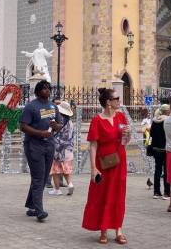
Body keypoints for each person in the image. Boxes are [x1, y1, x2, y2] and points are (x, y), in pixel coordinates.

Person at [82, 87, 130, 244]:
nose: (119, 101)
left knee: (118, 194)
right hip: (102, 163)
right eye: (116, 99)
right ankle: (103, 230)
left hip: (119, 161)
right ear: (109, 102)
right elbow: (93, 145)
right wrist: (93, 168)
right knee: (102, 194)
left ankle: (118, 230)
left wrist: (127, 136)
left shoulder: (121, 117)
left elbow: (124, 142)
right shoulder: (97, 120)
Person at [20, 80, 61, 221]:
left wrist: (55, 125)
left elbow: (59, 125)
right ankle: (39, 211)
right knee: (38, 178)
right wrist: (39, 133)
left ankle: (32, 205)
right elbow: (23, 126)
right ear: (38, 91)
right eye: (44, 89)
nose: (47, 91)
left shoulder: (53, 106)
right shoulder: (31, 107)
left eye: (49, 88)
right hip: (34, 145)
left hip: (49, 145)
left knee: (43, 178)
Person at [49, 100, 75, 196]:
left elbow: (44, 115)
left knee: (55, 169)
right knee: (66, 168)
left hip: (57, 148)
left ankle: (57, 190)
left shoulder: (58, 120)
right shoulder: (70, 122)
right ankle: (70, 184)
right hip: (68, 149)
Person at [150, 104, 170, 200]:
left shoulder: (154, 121)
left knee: (157, 170)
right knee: (166, 170)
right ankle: (167, 192)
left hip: (156, 148)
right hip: (166, 148)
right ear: (167, 111)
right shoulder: (168, 121)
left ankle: (156, 192)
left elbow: (151, 134)